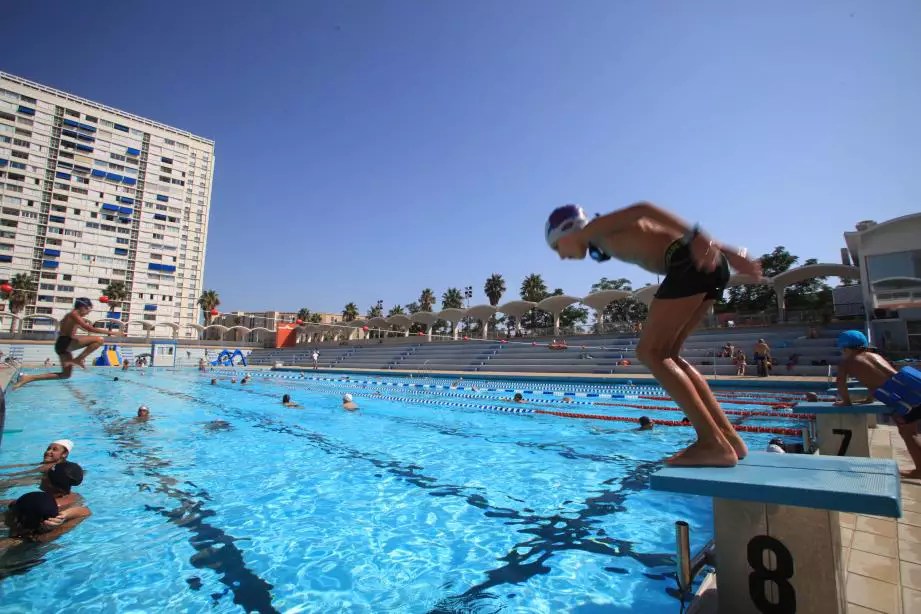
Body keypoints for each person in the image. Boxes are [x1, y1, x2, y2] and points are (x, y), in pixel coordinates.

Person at [546, 202, 760, 466]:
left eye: (557, 247)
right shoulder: (598, 239)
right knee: (668, 354)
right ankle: (728, 438)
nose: (560, 256)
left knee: (649, 352)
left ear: (566, 231)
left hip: (687, 264)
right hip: (703, 264)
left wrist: (699, 236)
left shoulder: (593, 228)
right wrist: (721, 248)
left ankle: (712, 443)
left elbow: (644, 209)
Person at [834, 330, 921, 478]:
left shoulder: (847, 362)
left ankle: (920, 470)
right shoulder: (875, 356)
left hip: (902, 400)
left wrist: (846, 402)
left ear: (845, 348)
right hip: (913, 390)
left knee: (909, 433)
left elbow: (841, 383)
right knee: (910, 432)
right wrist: (870, 398)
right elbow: (880, 378)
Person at [13, 298, 126, 390]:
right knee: (99, 340)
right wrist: (112, 333)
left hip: (62, 345)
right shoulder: (74, 314)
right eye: (88, 310)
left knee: (66, 375)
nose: (87, 313)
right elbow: (88, 328)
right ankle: (79, 359)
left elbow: (70, 329)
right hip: (66, 343)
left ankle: (28, 378)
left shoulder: (71, 317)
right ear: (82, 307)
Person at [2, 491, 90, 546]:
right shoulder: (47, 536)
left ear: (16, 520)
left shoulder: (8, 543)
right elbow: (85, 512)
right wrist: (63, 515)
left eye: (12, 510)